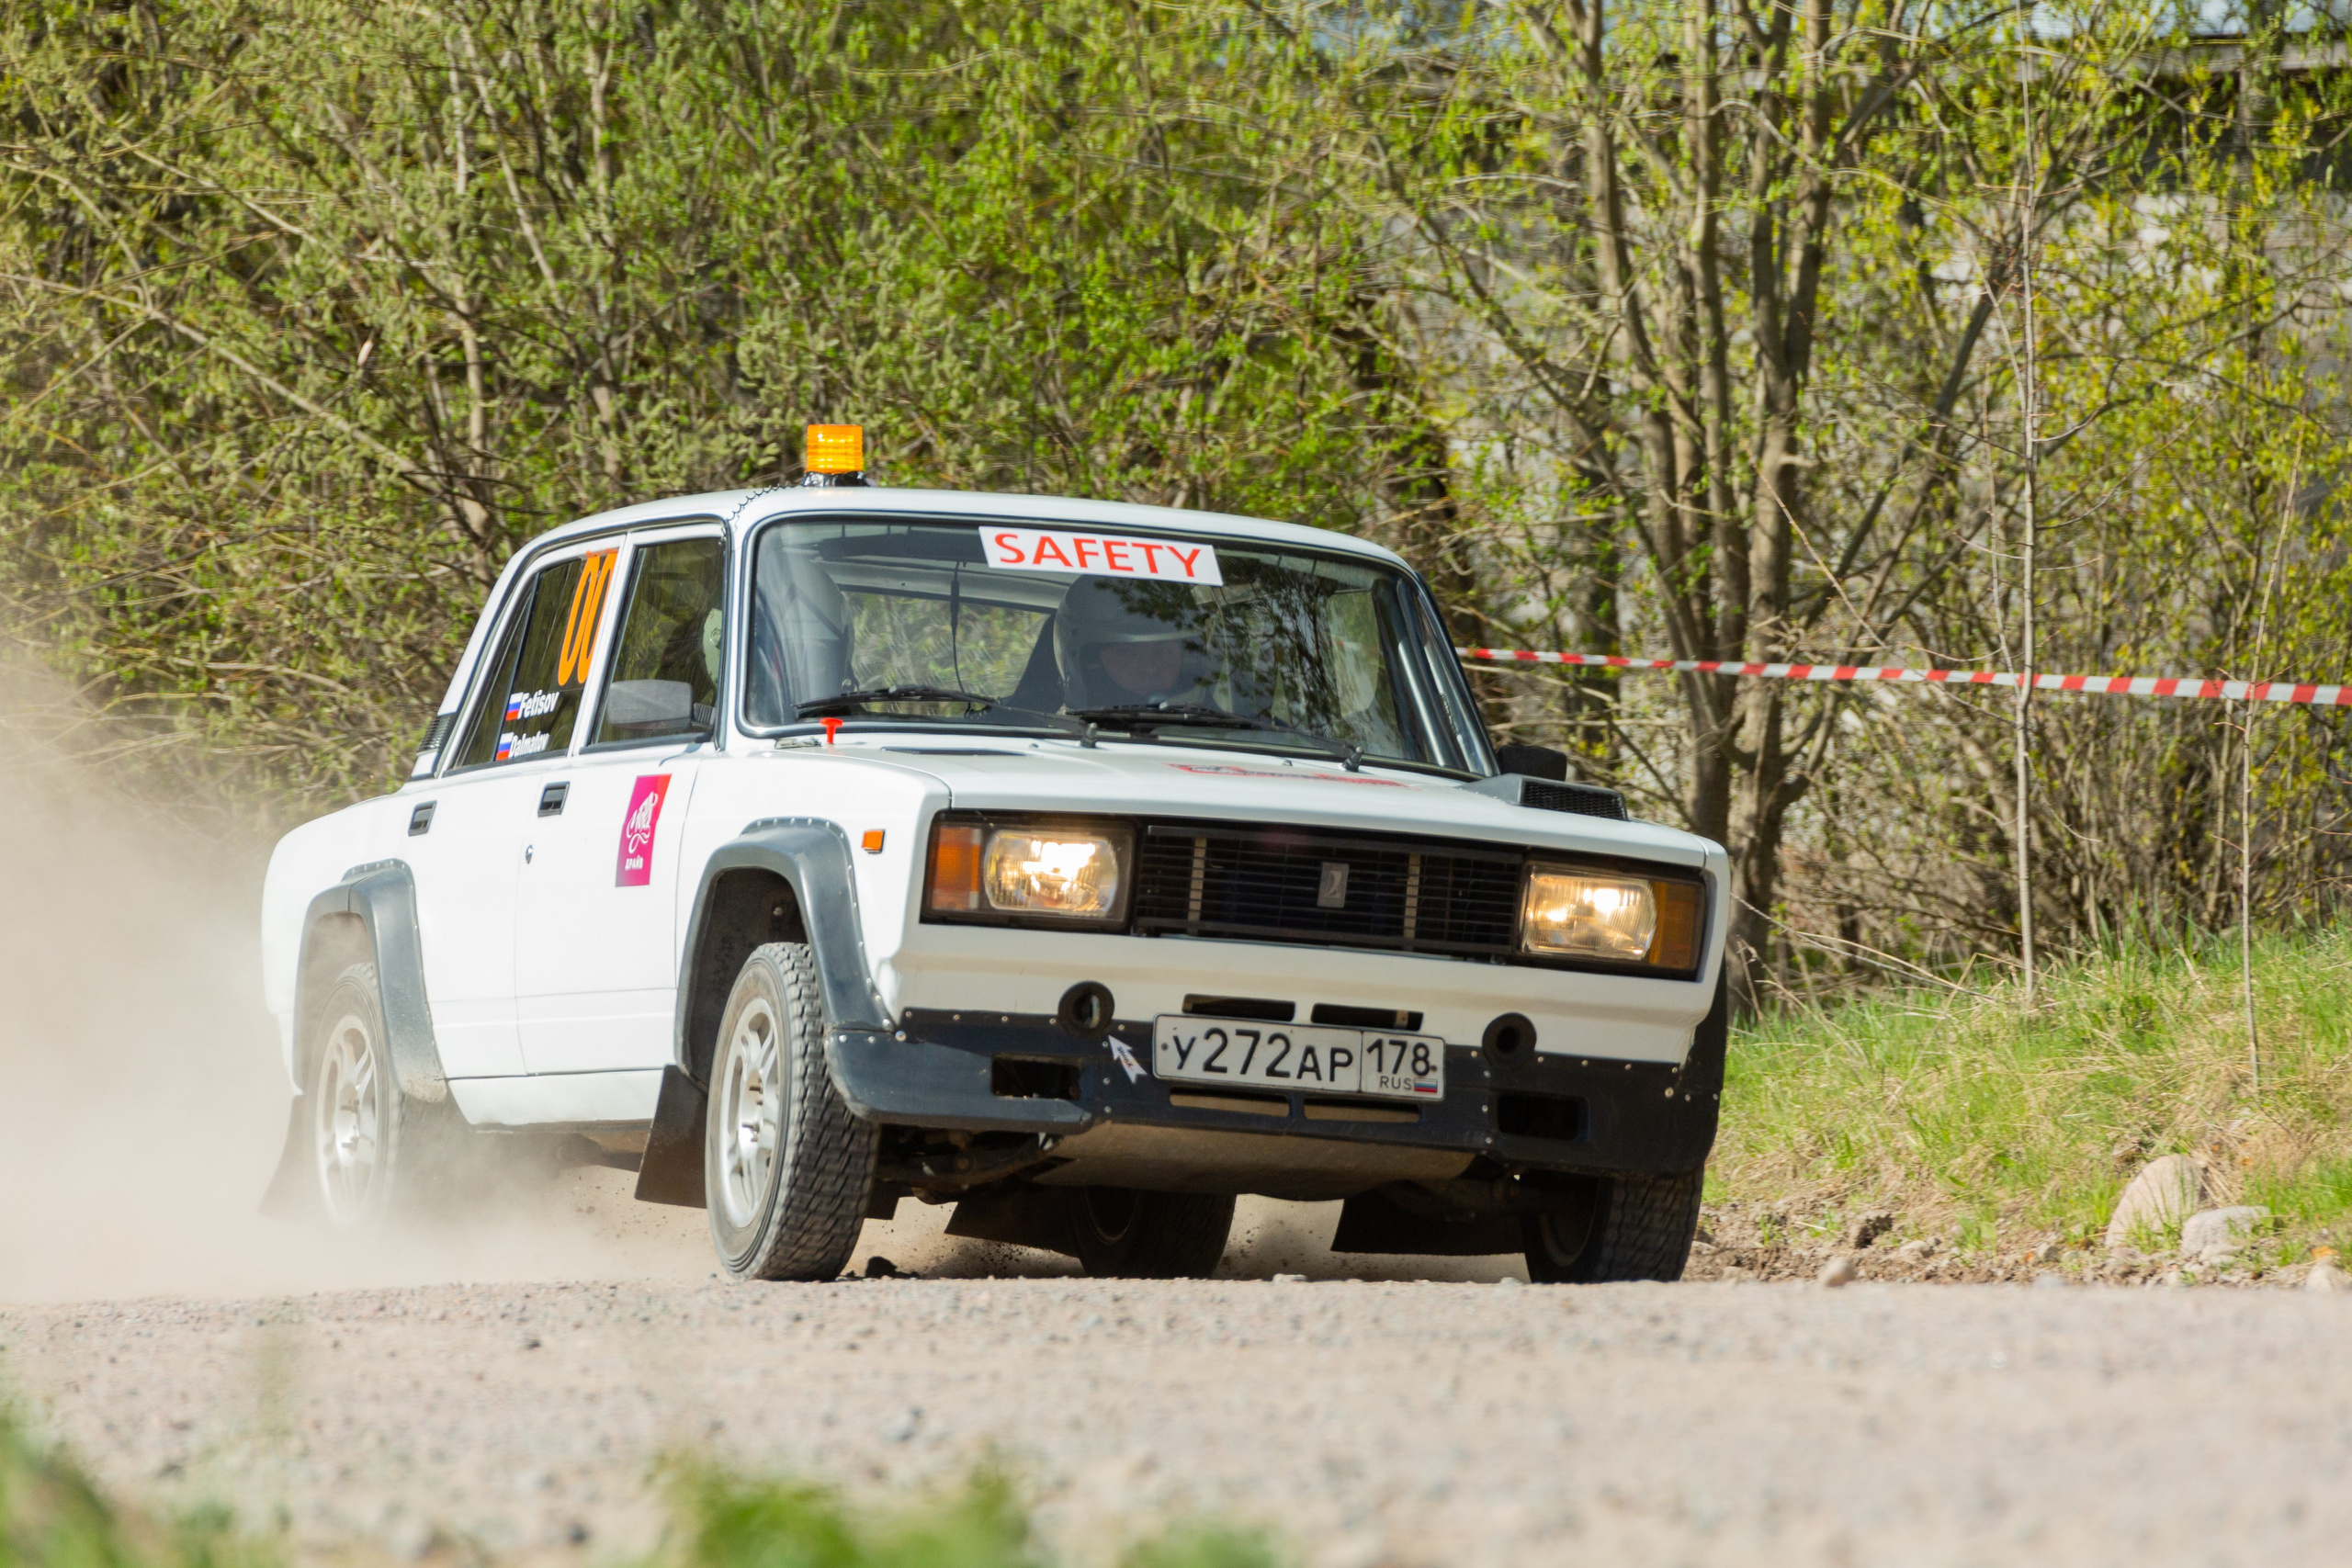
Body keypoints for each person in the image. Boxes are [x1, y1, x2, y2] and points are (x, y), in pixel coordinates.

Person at [1053, 576, 1214, 711]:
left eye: (1161, 652)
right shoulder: (1054, 744)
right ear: (1091, 663)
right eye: (1126, 652)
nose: (1149, 667)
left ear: (1188, 658)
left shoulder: (1229, 735)